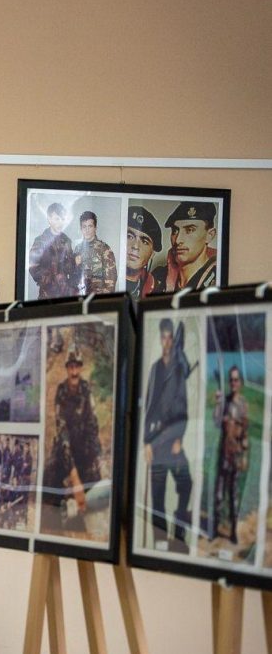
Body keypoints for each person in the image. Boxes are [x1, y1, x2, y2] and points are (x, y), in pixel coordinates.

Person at [143, 318, 192, 548]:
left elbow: (184, 407)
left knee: (186, 484)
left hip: (173, 439)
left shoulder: (179, 368)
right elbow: (149, 406)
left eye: (170, 337)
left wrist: (179, 438)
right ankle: (160, 542)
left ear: (173, 339)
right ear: (161, 339)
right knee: (157, 497)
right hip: (156, 440)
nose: (166, 341)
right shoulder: (155, 369)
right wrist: (146, 442)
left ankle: (179, 533)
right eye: (163, 337)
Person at [44, 347, 102, 527]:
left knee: (96, 477)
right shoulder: (61, 391)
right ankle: (57, 514)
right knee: (49, 475)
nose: (74, 371)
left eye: (77, 367)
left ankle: (79, 510)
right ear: (67, 369)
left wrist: (93, 456)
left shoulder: (86, 390)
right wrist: (74, 475)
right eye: (71, 367)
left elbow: (93, 426)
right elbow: (62, 432)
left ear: (80, 368)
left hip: (84, 447)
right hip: (65, 447)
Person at [212, 366, 249, 544]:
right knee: (219, 495)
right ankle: (215, 529)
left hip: (236, 455)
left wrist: (244, 456)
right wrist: (217, 404)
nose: (233, 383)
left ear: (240, 382)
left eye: (236, 380)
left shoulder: (243, 405)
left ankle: (233, 531)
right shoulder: (224, 401)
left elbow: (245, 433)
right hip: (223, 454)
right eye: (231, 380)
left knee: (233, 495)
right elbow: (216, 422)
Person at [161, 201, 219, 292]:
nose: (178, 240)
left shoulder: (219, 277)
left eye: (190, 230)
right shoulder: (158, 278)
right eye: (175, 231)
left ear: (209, 235)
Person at [28, 202, 79, 299]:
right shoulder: (41, 241)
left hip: (65, 294)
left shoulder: (66, 241)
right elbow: (33, 266)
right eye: (57, 219)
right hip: (47, 295)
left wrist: (74, 263)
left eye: (62, 219)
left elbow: (70, 267)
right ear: (49, 219)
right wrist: (49, 281)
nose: (60, 223)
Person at [124, 205, 166, 300]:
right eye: (129, 236)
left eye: (145, 242)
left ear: (152, 254)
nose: (135, 246)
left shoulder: (157, 289)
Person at [75, 211, 118, 295]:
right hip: (81, 295)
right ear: (81, 229)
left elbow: (111, 279)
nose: (87, 230)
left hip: (98, 297)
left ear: (95, 228)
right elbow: (74, 276)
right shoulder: (77, 249)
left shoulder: (104, 249)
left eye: (90, 226)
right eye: (84, 227)